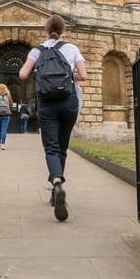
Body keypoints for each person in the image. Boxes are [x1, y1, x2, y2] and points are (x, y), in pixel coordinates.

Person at [19, 14, 87, 222]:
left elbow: (22, 74)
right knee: (62, 147)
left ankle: (56, 182)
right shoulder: (72, 48)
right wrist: (68, 76)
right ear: (63, 31)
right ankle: (57, 187)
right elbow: (83, 76)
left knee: (51, 148)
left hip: (47, 103)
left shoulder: (37, 50)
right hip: (69, 102)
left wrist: (40, 74)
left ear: (46, 31)